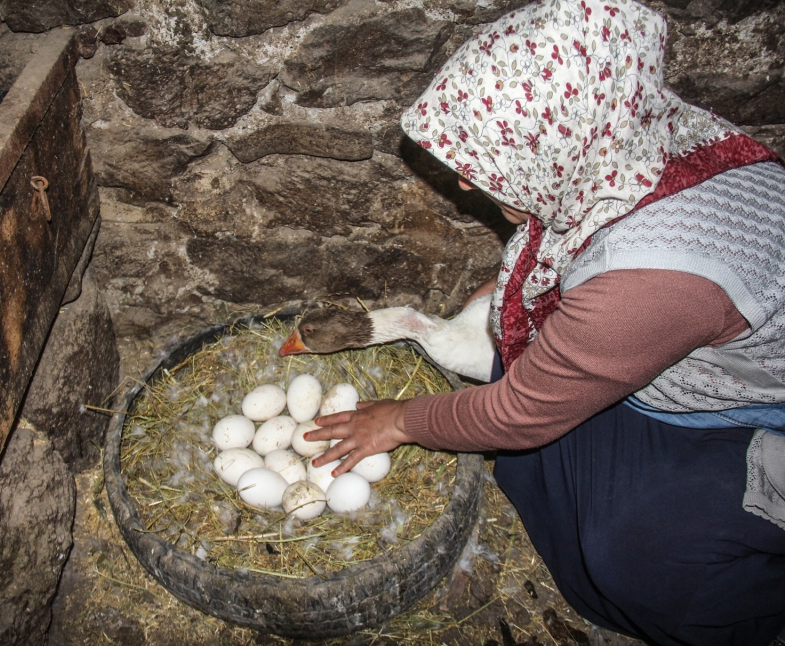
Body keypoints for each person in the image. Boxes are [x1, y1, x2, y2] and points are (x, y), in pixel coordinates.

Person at [305, 0, 785, 643]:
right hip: (679, 346)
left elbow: (516, 414)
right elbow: (547, 266)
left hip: (756, 411)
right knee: (516, 376)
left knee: (633, 554)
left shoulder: (643, 282)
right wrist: (506, 301)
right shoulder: (640, 140)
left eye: (483, 163)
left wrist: (398, 419)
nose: (467, 188)